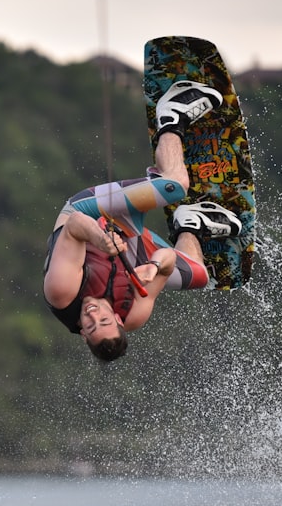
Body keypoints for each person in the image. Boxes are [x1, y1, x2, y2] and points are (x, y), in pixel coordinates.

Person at [42, 81, 243, 361]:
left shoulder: (62, 292)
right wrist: (153, 267)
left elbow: (75, 225)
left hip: (90, 214)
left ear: (83, 334)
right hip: (129, 243)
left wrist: (101, 239)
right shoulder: (134, 314)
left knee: (175, 185)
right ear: (118, 320)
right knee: (201, 276)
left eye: (91, 326)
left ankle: (171, 117)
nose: (93, 317)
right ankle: (190, 222)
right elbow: (168, 260)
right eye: (104, 321)